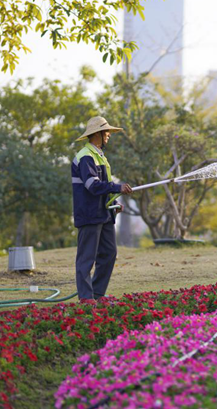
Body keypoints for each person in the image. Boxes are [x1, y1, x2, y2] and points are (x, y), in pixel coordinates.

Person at [71, 116, 133, 300]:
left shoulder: (99, 156)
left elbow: (102, 187)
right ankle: (86, 299)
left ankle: (97, 295)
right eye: (107, 132)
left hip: (104, 214)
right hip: (89, 215)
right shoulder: (86, 157)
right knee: (86, 258)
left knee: (109, 253)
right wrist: (117, 187)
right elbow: (92, 185)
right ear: (97, 133)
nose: (109, 135)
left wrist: (114, 202)